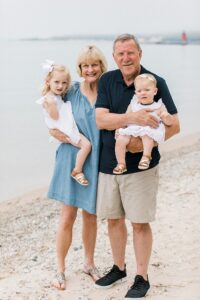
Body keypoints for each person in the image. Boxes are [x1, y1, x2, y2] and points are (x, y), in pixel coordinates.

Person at [95, 34, 180, 298]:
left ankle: (142, 276)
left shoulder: (156, 83)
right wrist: (131, 118)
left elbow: (175, 126)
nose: (126, 58)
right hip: (109, 164)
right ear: (114, 57)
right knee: (113, 220)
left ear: (140, 54)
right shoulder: (108, 80)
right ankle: (119, 267)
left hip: (142, 168)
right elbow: (101, 120)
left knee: (140, 223)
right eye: (120, 54)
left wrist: (148, 142)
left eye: (130, 52)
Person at [47, 45, 107, 290]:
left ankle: (89, 264)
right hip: (71, 158)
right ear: (80, 69)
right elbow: (50, 112)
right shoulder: (69, 91)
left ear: (101, 66)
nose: (90, 69)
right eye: (85, 65)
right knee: (67, 216)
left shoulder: (108, 91)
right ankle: (60, 270)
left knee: (91, 216)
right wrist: (54, 132)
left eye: (94, 65)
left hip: (96, 161)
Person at [37, 60, 91, 186]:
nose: (60, 86)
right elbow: (55, 117)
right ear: (48, 82)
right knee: (87, 145)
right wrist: (51, 104)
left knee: (86, 145)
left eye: (64, 83)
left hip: (65, 126)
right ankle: (77, 171)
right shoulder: (49, 99)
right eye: (56, 82)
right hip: (64, 129)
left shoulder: (57, 95)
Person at [113, 73, 173, 174]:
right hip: (133, 129)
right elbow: (126, 118)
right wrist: (120, 128)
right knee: (120, 140)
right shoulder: (133, 105)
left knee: (147, 135)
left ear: (155, 91)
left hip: (148, 129)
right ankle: (121, 163)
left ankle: (146, 156)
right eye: (139, 91)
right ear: (135, 93)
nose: (143, 93)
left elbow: (169, 122)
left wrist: (166, 116)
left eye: (147, 90)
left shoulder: (158, 106)